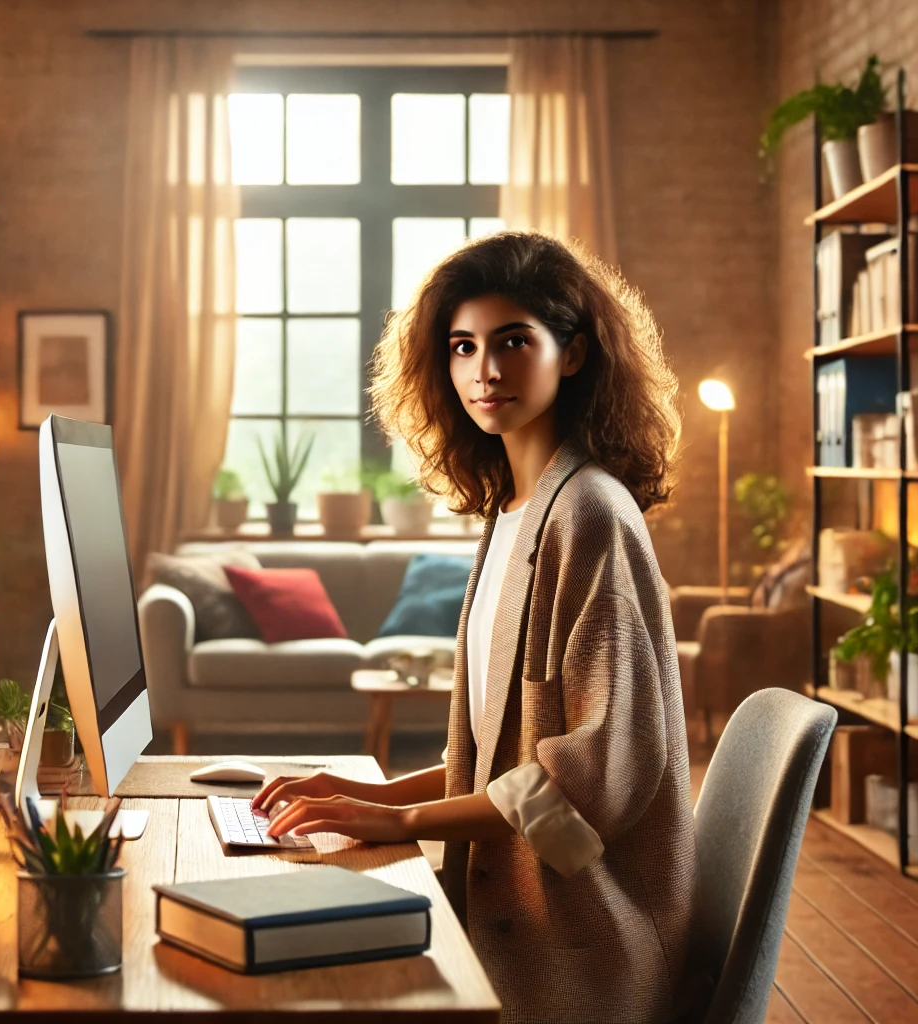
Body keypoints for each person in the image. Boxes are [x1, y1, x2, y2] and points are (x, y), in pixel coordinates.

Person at [253, 231, 699, 1023]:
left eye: (513, 341)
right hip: (504, 915)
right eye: (463, 346)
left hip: (576, 949)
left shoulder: (590, 515)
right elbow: (503, 762)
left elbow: (591, 781)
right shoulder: (512, 513)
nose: (484, 370)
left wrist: (401, 821)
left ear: (572, 353)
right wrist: (366, 793)